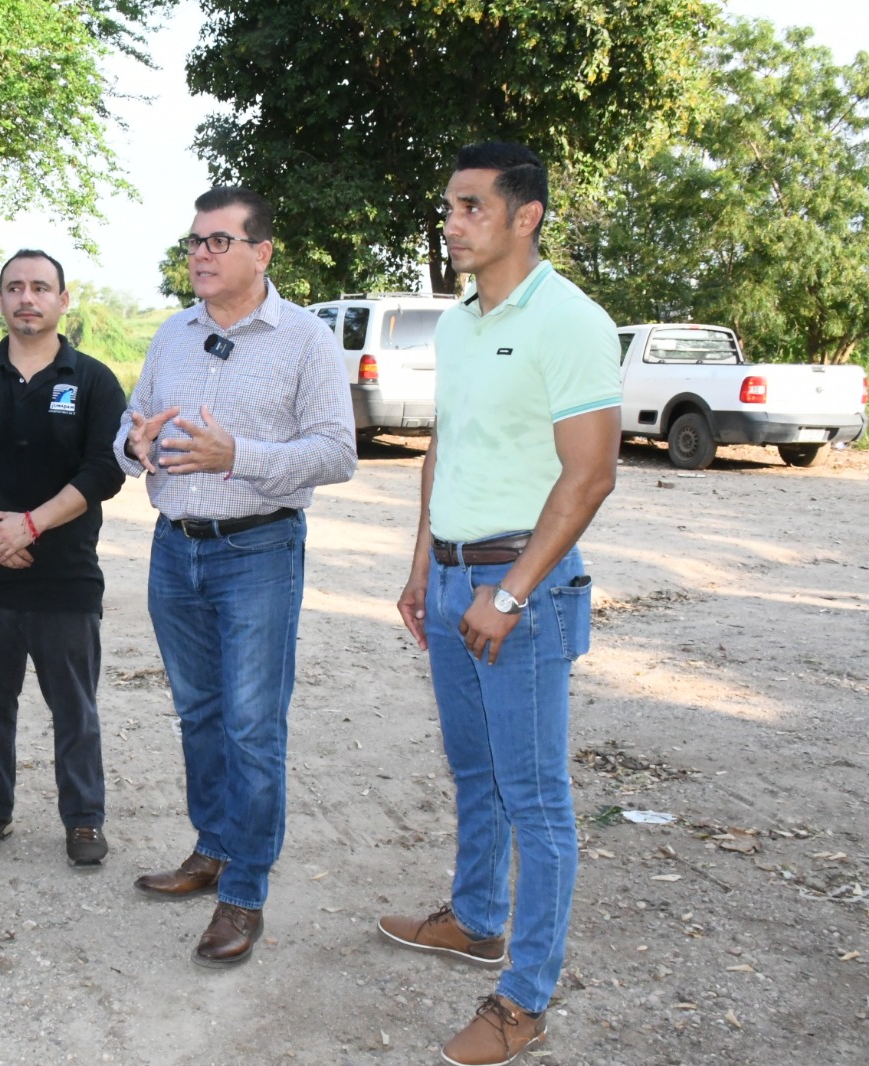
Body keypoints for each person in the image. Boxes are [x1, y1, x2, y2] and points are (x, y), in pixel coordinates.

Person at [380, 142, 621, 1066]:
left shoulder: (568, 320)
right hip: (449, 580)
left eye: (472, 207)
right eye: (448, 207)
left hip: (521, 585)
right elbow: (447, 446)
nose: (452, 223)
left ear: (528, 216)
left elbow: (590, 474)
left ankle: (524, 999)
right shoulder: (456, 324)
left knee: (536, 801)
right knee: (473, 769)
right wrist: (420, 567)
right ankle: (476, 917)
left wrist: (510, 592)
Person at [113, 187, 357, 966]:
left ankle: (244, 893)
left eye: (220, 241)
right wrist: (135, 444)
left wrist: (239, 457)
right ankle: (212, 847)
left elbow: (337, 452)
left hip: (257, 551)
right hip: (173, 545)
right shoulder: (172, 335)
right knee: (198, 714)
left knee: (253, 727)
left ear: (262, 253)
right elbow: (131, 423)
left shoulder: (307, 340)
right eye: (195, 241)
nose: (202, 254)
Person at [0, 250, 125, 867]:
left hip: (64, 579)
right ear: (1, 300)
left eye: (41, 287)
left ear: (64, 300)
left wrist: (31, 526)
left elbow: (105, 468)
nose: (26, 298)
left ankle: (84, 821)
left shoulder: (92, 380)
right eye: (14, 288)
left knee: (74, 708)